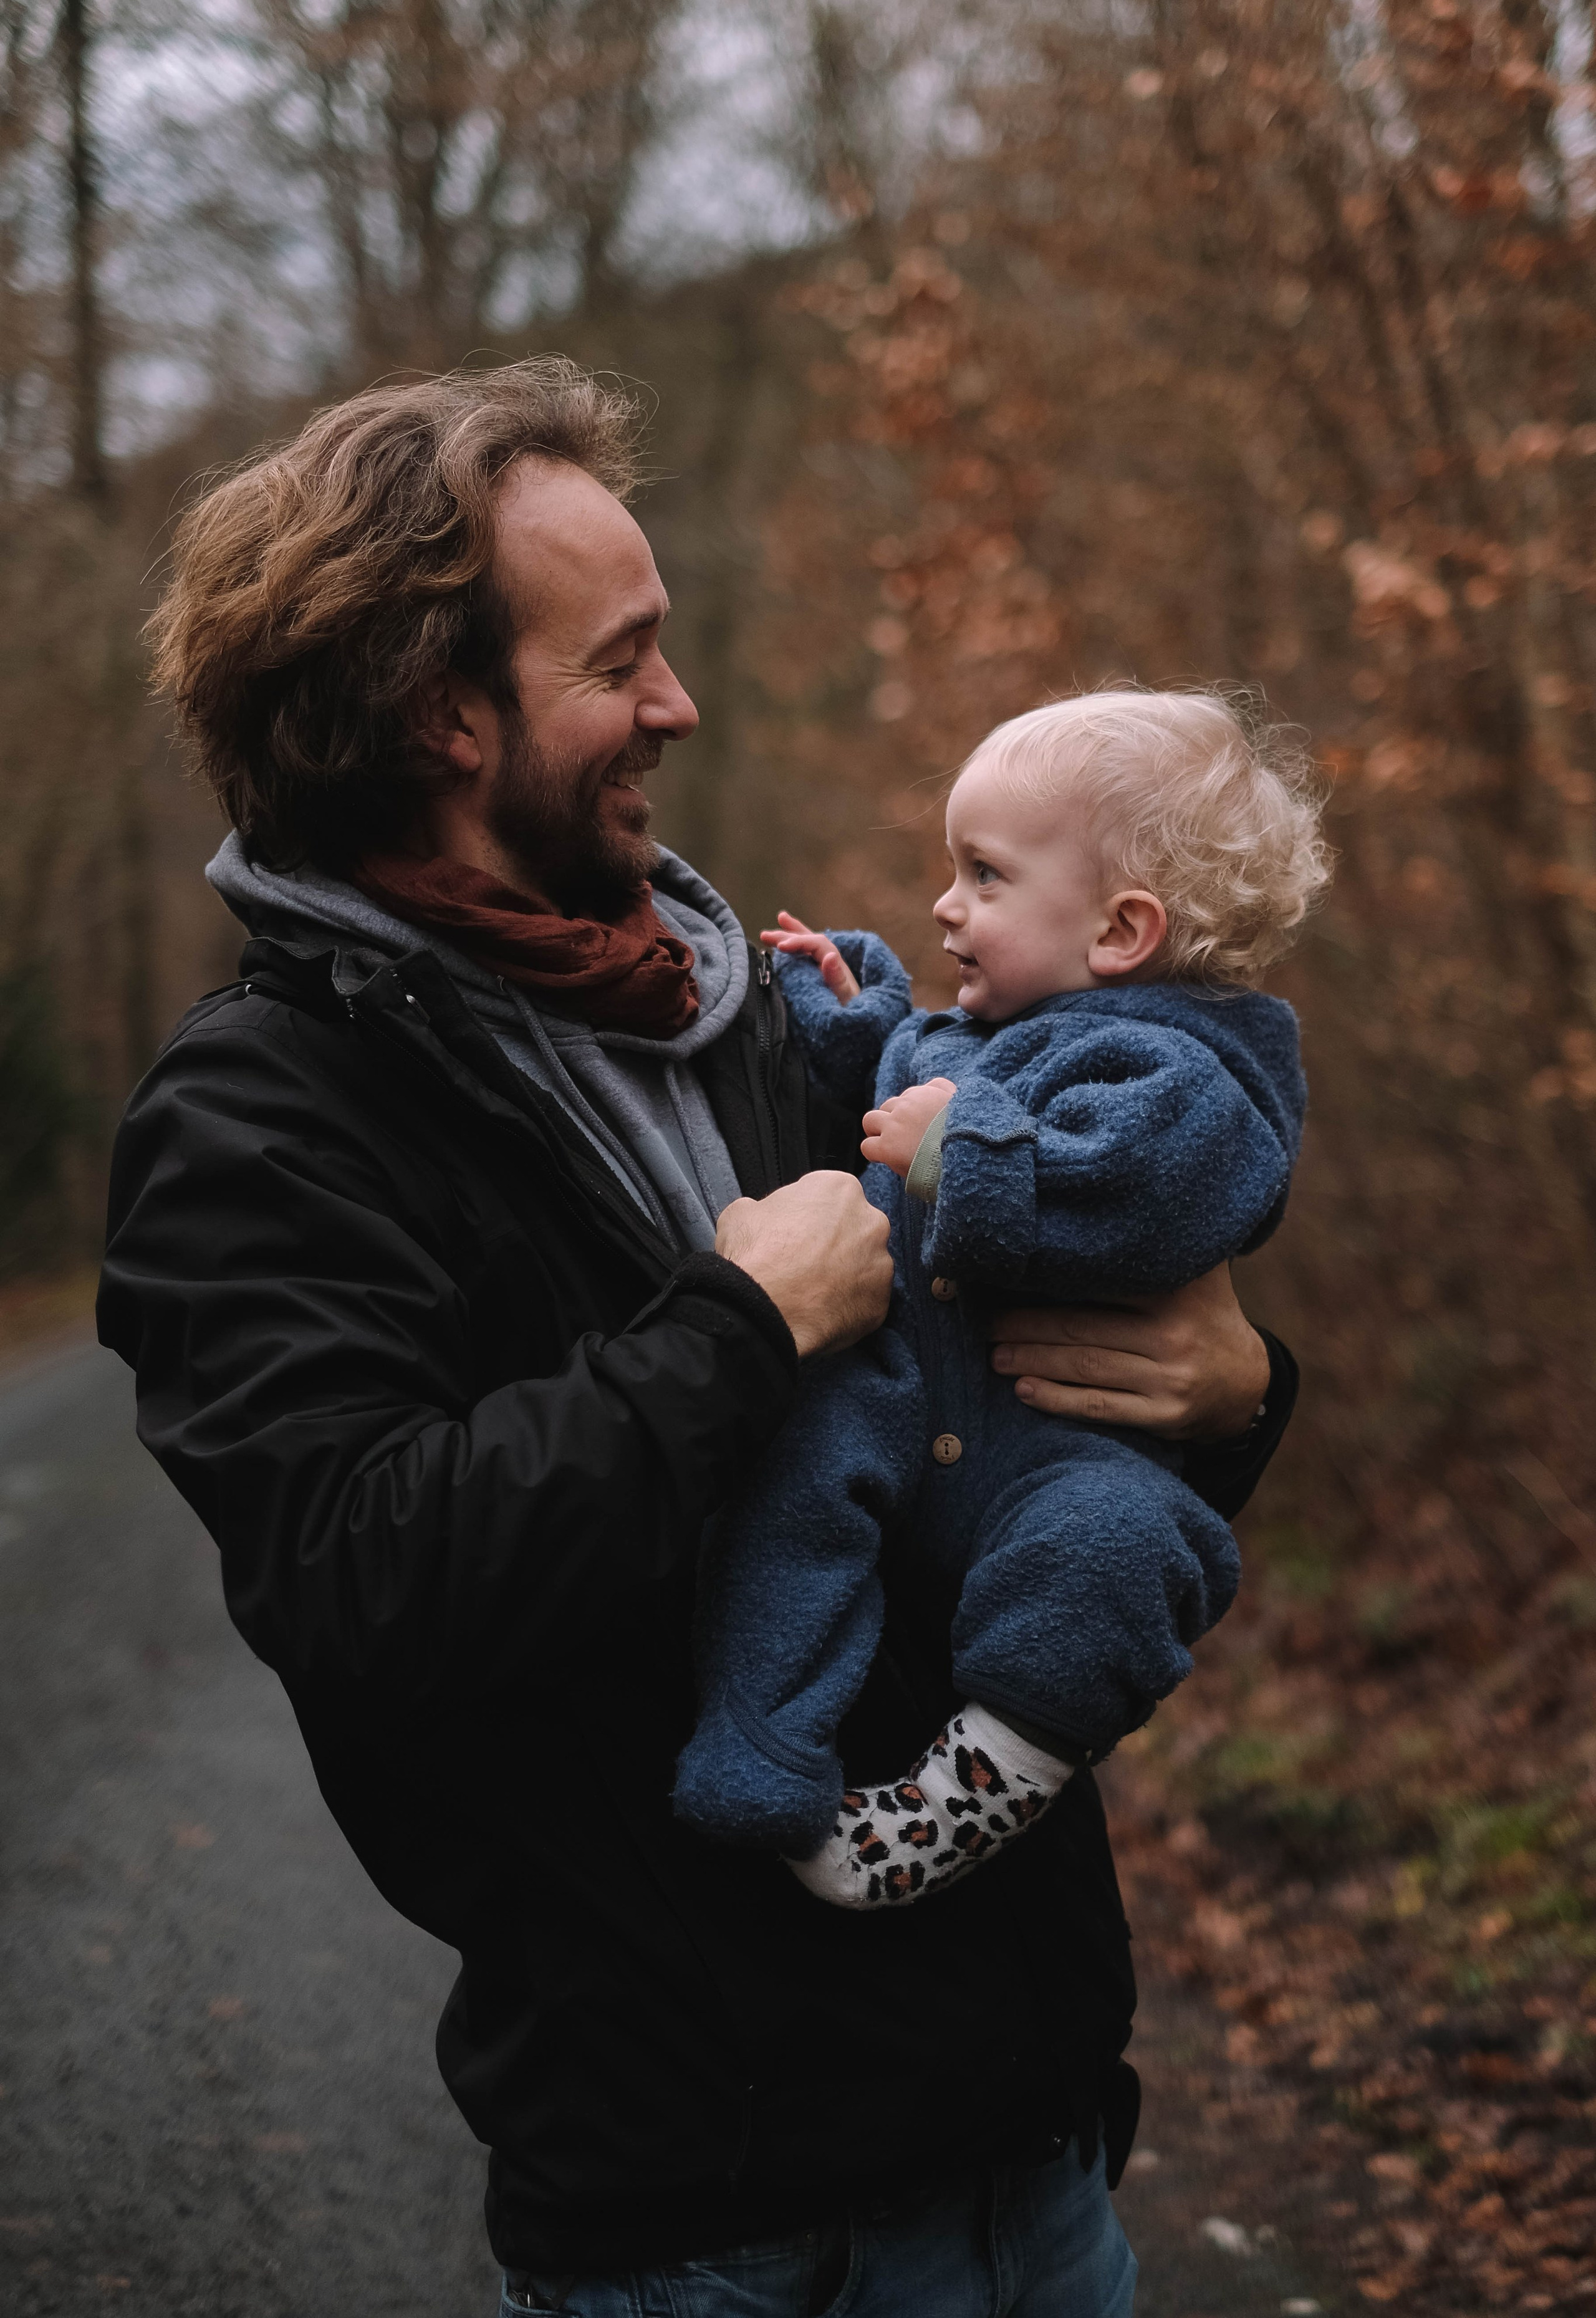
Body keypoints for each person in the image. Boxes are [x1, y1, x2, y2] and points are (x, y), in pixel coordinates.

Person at [97, 359, 1299, 2318]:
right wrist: (740, 1329)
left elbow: (988, 1426)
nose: (677, 706)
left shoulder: (766, 1007)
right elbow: (362, 1579)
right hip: (715, 2219)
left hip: (1040, 2142)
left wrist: (1236, 1393)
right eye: (621, 660)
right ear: (437, 713)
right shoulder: (261, 1125)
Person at [675, 691, 1327, 1910]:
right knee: (791, 1489)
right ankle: (758, 1754)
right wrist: (848, 1012)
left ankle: (953, 1802)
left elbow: (1140, 1188)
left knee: (1112, 1561)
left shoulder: (1185, 1070)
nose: (944, 905)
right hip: (895, 1394)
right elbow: (898, 1081)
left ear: (1121, 931)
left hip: (1056, 1459)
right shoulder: (985, 1033)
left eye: (983, 876)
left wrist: (952, 1155)